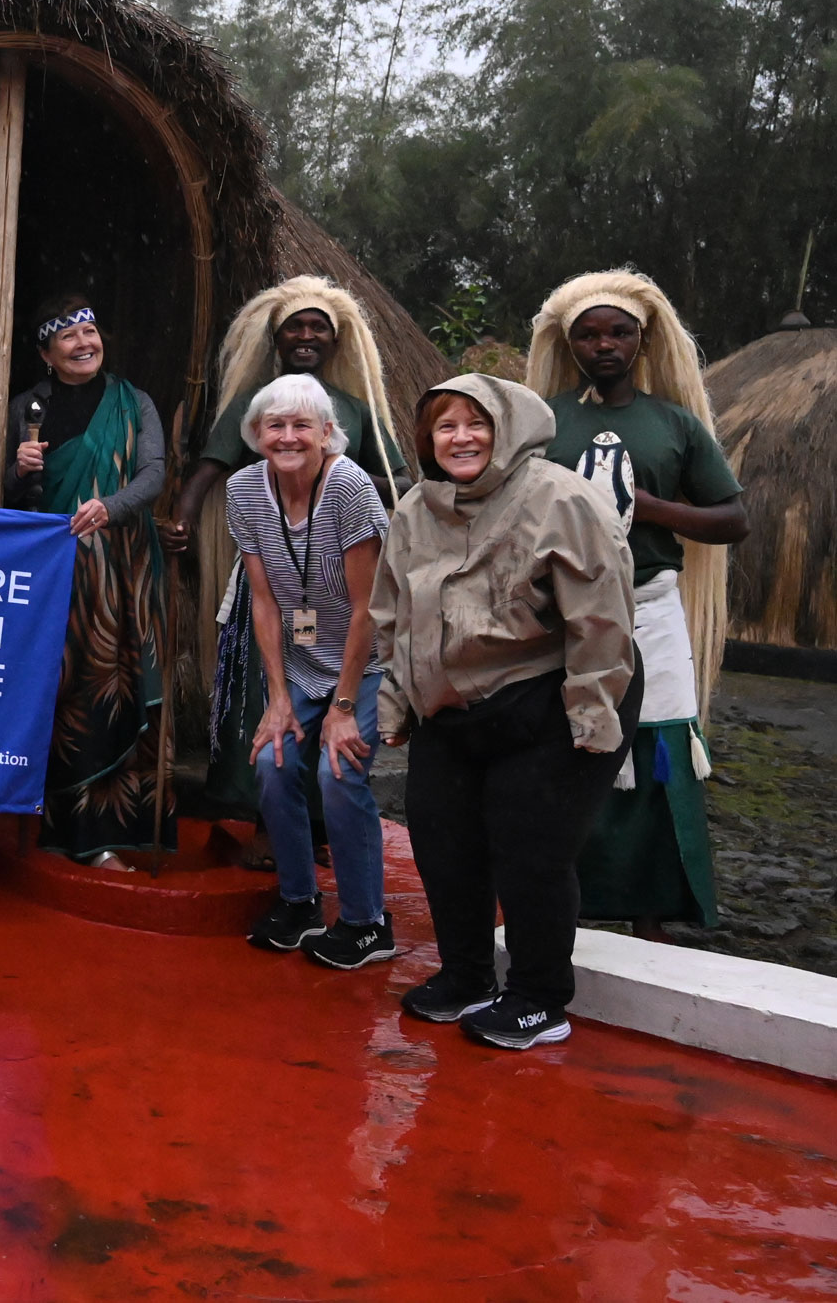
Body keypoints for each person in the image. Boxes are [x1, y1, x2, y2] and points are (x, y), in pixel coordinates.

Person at [373, 375, 640, 1050]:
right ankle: (465, 975)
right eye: (446, 426)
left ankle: (538, 999)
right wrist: (396, 702)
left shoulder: (560, 499)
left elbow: (602, 614)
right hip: (453, 703)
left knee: (532, 850)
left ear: (509, 429)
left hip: (548, 691)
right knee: (443, 841)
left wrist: (591, 714)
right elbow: (393, 614)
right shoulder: (416, 509)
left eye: (477, 423)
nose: (461, 438)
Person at [527, 271, 746, 940]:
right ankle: (567, 905)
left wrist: (651, 509)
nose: (604, 345)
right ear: (569, 343)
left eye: (619, 332)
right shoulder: (544, 422)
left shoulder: (674, 424)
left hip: (651, 607)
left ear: (641, 340)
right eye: (588, 335)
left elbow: (732, 518)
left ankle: (651, 915)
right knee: (568, 749)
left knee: (657, 751)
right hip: (562, 615)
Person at [161, 276, 409, 865]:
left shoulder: (354, 409)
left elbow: (400, 480)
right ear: (276, 339)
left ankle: (321, 831)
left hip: (338, 589)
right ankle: (266, 826)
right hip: (270, 582)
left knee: (333, 706)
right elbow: (213, 463)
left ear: (335, 339)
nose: (306, 335)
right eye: (294, 326)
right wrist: (183, 517)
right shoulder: (260, 402)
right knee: (262, 701)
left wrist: (334, 472)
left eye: (318, 327)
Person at [228, 376, 393, 966]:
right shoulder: (244, 489)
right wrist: (277, 699)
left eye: (302, 425)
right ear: (256, 434)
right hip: (302, 662)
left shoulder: (348, 486)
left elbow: (368, 608)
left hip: (366, 661)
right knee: (272, 764)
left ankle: (368, 922)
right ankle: (299, 902)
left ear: (327, 433)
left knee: (338, 772)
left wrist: (343, 708)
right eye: (275, 425)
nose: (288, 437)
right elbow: (264, 601)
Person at [2, 294, 167, 868]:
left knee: (123, 689)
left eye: (90, 332)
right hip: (57, 576)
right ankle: (71, 831)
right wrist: (18, 470)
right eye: (68, 336)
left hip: (126, 572)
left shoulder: (134, 402)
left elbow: (153, 474)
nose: (83, 343)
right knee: (70, 696)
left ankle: (118, 831)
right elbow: (2, 492)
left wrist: (111, 506)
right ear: (46, 354)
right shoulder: (27, 408)